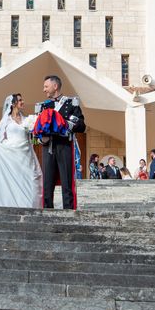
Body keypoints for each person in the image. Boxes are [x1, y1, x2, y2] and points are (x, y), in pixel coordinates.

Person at [38, 76, 86, 210]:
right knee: (47, 183)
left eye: (46, 86)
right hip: (48, 146)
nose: (44, 90)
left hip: (64, 145)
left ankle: (68, 213)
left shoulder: (71, 103)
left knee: (67, 182)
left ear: (55, 86)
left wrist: (65, 124)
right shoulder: (44, 105)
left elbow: (82, 126)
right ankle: (48, 212)